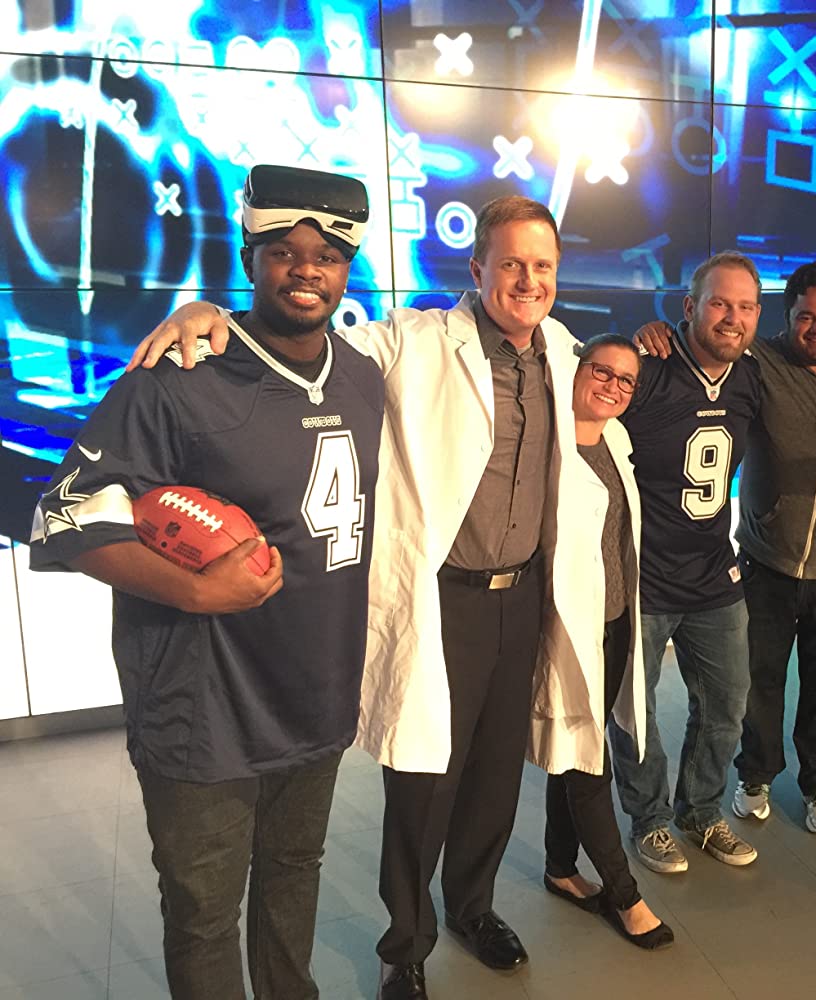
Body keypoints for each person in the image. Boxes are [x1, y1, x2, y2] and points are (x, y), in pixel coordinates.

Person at [129, 196, 585, 1000]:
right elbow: (302, 335)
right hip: (445, 598)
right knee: (425, 778)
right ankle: (404, 944)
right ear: (476, 268)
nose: (527, 280)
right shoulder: (412, 341)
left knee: (493, 776)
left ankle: (473, 908)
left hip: (524, 595)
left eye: (541, 265)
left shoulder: (565, 353)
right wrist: (212, 315)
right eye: (510, 263)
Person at [29, 165, 384, 1000]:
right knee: (203, 914)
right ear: (250, 256)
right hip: (204, 709)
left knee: (295, 871)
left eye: (328, 256)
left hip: (317, 693)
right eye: (284, 252)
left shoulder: (364, 376)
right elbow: (62, 518)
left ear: (347, 268)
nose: (307, 269)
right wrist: (193, 590)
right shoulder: (178, 376)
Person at [638, 256, 816, 835]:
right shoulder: (760, 362)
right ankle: (753, 777)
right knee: (754, 685)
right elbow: (702, 349)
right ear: (786, 318)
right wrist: (652, 334)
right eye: (805, 316)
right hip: (763, 559)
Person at [609, 251, 764, 873]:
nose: (732, 317)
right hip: (642, 577)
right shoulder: (648, 370)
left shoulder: (752, 377)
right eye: (720, 303)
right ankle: (649, 820)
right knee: (635, 710)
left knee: (727, 704)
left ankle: (701, 811)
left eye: (746, 306)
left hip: (714, 574)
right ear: (689, 307)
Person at [529, 333, 673, 949]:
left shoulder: (616, 440)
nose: (612, 387)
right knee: (589, 755)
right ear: (576, 369)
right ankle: (624, 892)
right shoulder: (546, 444)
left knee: (575, 748)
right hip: (567, 628)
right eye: (602, 372)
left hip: (614, 622)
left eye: (626, 380)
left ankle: (560, 867)